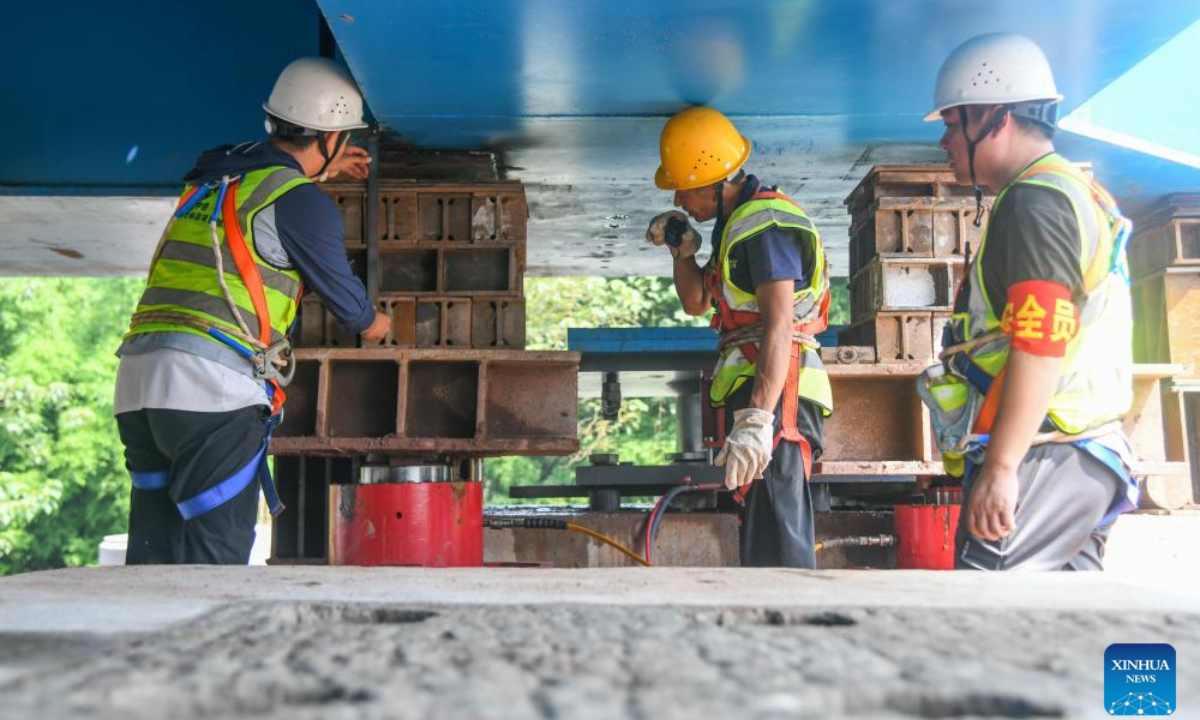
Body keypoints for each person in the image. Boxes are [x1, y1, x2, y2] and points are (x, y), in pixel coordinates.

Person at [114, 57, 391, 564]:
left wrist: (323, 174)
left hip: (138, 382)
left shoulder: (215, 178)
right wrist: (381, 324)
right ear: (331, 137)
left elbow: (260, 207)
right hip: (209, 388)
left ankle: (143, 641)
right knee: (213, 558)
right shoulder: (301, 201)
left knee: (154, 552)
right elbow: (354, 314)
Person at [919, 33, 1139, 570]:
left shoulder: (1035, 203)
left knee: (987, 615)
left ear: (994, 117)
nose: (944, 143)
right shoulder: (1070, 191)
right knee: (1059, 625)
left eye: (952, 124)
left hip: (1048, 450)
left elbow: (1041, 342)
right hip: (1081, 452)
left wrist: (1001, 466)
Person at [646, 107, 833, 568]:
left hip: (779, 394)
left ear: (711, 178)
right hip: (760, 392)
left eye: (682, 186)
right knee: (758, 516)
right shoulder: (737, 226)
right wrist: (683, 251)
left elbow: (779, 326)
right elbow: (696, 302)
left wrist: (758, 421)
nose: (677, 197)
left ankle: (792, 624)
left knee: (779, 519)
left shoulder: (764, 225)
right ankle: (766, 623)